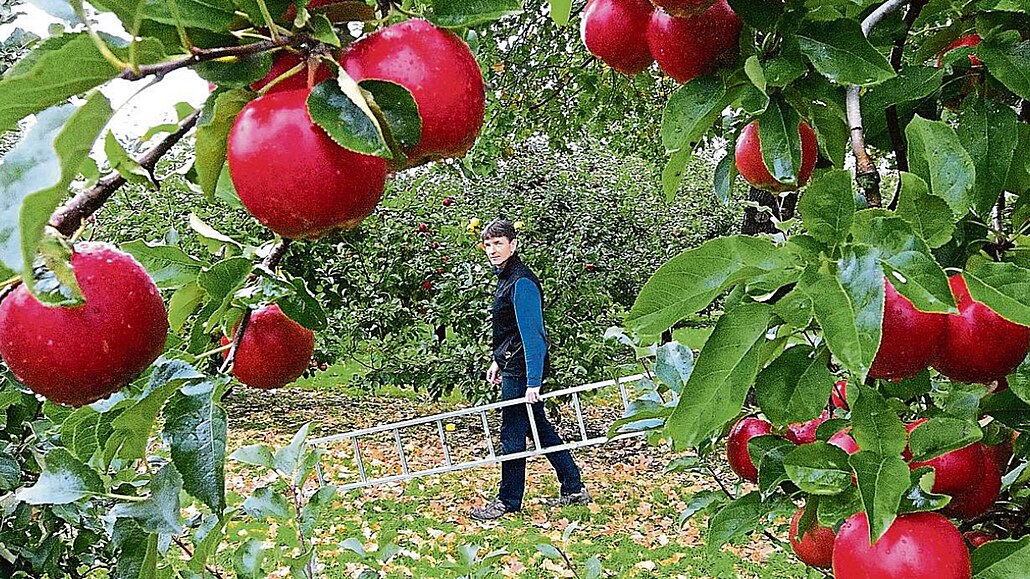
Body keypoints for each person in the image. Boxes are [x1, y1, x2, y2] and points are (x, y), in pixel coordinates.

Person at [470, 219, 591, 521]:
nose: (492, 250)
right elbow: (511, 330)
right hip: (513, 366)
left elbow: (533, 334)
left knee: (512, 435)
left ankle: (507, 501)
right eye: (487, 244)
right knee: (539, 430)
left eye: (498, 243)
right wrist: (499, 358)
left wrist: (533, 382)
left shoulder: (521, 281)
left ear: (513, 244)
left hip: (523, 372)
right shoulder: (507, 278)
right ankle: (573, 486)